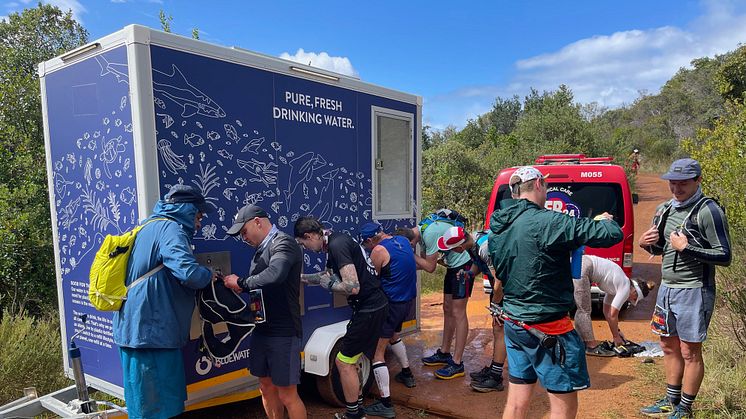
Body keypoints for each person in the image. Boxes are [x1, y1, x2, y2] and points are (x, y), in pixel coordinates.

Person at [488, 166, 623, 419]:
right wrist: (605, 221)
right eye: (546, 186)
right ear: (538, 184)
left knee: (517, 402)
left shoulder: (499, 227)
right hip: (549, 328)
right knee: (563, 405)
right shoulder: (550, 221)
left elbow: (502, 276)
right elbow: (611, 234)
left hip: (515, 323)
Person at [638, 158, 731, 419]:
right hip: (667, 287)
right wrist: (648, 245)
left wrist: (687, 248)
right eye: (672, 184)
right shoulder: (664, 209)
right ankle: (670, 400)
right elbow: (662, 249)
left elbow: (724, 255)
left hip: (695, 290)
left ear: (698, 180)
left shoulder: (708, 211)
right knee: (668, 345)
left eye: (682, 184)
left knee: (690, 350)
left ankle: (685, 408)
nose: (676, 190)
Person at [112, 185, 214, 419]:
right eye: (198, 216)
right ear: (187, 210)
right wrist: (208, 274)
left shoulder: (147, 227)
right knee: (161, 408)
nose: (199, 224)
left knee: (142, 406)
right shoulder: (170, 229)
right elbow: (187, 272)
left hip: (135, 329)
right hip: (153, 332)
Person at [294, 216, 389, 419]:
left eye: (304, 243)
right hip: (371, 306)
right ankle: (359, 407)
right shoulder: (334, 242)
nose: (307, 248)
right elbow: (325, 276)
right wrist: (300, 278)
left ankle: (354, 414)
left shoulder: (337, 246)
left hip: (369, 308)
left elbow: (353, 287)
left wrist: (328, 284)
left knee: (343, 361)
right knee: (351, 358)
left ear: (310, 236)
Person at [223, 204, 306, 419]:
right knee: (265, 387)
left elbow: (276, 274)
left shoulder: (284, 243)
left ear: (257, 222)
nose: (244, 238)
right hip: (262, 328)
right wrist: (241, 286)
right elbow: (261, 284)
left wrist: (242, 281)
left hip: (283, 331)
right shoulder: (261, 249)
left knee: (288, 395)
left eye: (244, 232)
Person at [358, 222, 417, 418]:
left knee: (377, 353)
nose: (367, 249)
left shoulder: (378, 251)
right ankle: (407, 374)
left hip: (391, 303)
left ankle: (385, 403)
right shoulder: (402, 240)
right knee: (394, 335)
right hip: (407, 300)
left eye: (366, 245)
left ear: (369, 240)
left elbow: (373, 279)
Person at [436, 227, 507, 393]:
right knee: (497, 328)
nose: (450, 252)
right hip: (500, 289)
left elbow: (500, 280)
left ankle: (496, 377)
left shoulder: (485, 247)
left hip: (506, 289)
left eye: (451, 249)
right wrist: (469, 274)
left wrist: (496, 305)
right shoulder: (473, 242)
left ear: (459, 247)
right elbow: (477, 263)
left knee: (500, 328)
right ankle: (494, 369)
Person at [410, 217, 473, 380]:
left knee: (458, 312)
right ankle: (444, 352)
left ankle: (457, 363)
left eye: (410, 245)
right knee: (447, 308)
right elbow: (424, 262)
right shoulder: (422, 232)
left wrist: (410, 255)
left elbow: (430, 267)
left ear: (412, 239)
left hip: (463, 267)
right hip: (452, 267)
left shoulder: (429, 234)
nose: (411, 247)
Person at [573, 254, 655, 356]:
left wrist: (617, 331)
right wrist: (615, 336)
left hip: (583, 263)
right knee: (584, 310)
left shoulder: (618, 284)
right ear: (635, 291)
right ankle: (591, 346)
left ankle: (579, 341)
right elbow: (612, 314)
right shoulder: (625, 287)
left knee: (582, 309)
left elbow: (606, 311)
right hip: (585, 267)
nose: (630, 300)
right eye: (634, 298)